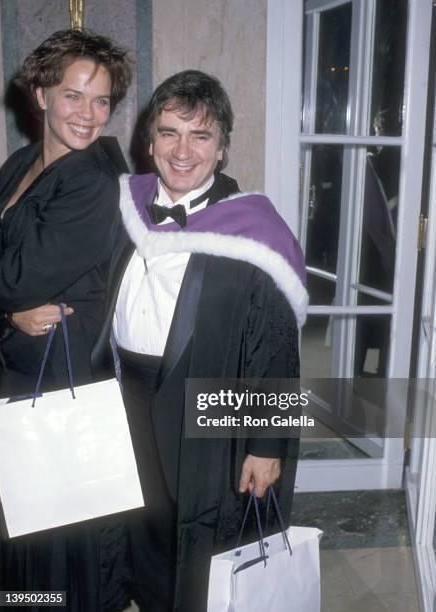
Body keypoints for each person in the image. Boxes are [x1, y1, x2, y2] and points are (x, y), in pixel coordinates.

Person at [92, 69, 308, 611]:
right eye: (169, 132)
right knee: (138, 521)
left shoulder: (254, 231)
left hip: (207, 401)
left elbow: (276, 346)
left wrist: (266, 445)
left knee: (203, 542)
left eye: (201, 135)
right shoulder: (125, 208)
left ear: (222, 149)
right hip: (124, 396)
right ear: (150, 140)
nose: (182, 150)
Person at [0, 29, 133, 611]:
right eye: (74, 96)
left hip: (63, 377)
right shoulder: (21, 162)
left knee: (60, 532)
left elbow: (20, 278)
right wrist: (8, 315)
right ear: (41, 94)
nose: (89, 114)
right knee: (25, 524)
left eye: (101, 100)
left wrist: (8, 302)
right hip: (20, 369)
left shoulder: (91, 182)